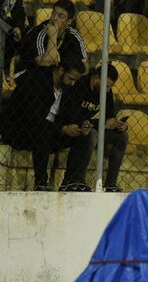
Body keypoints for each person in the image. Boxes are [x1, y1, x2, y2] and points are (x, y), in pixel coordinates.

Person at [0, 59, 85, 190]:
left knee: (85, 136)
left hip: (52, 132)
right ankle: (41, 183)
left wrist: (80, 125)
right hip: (21, 130)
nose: (73, 83)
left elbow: (72, 112)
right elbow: (33, 119)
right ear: (61, 70)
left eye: (75, 80)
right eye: (71, 78)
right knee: (43, 132)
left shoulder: (67, 87)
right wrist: (62, 128)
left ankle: (72, 182)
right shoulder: (36, 80)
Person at [57, 63, 128, 191]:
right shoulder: (78, 85)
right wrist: (100, 123)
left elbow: (110, 116)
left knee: (121, 137)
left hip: (92, 127)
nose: (106, 90)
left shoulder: (106, 91)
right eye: (105, 86)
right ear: (95, 78)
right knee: (91, 134)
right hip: (71, 128)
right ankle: (73, 182)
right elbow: (70, 115)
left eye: (109, 87)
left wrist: (117, 124)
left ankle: (110, 185)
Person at [15, 0, 87, 77]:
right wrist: (52, 36)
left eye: (61, 16)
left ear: (69, 21)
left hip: (55, 76)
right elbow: (45, 64)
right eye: (54, 13)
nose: (54, 18)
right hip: (27, 74)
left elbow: (85, 67)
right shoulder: (39, 32)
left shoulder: (74, 34)